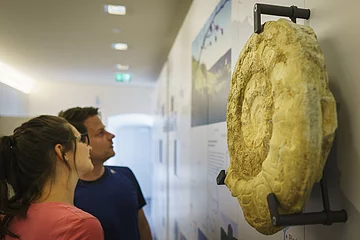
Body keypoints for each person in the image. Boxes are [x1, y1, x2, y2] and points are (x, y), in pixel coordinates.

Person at [0, 115, 104, 240]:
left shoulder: (9, 219)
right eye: (81, 140)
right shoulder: (80, 225)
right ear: (61, 151)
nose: (89, 147)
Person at [59, 107, 152, 240]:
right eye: (101, 133)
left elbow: (142, 225)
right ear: (80, 143)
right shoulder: (66, 193)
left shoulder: (126, 175)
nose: (111, 135)